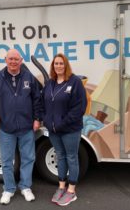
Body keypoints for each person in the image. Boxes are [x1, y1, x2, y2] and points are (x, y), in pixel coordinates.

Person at [0, 49, 42, 205]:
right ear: (5, 60)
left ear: (21, 60)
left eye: (16, 59)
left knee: (28, 159)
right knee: (6, 161)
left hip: (26, 128)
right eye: (10, 59)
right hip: (6, 129)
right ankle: (9, 189)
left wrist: (37, 119)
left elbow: (37, 100)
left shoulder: (28, 78)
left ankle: (25, 187)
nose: (13, 62)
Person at [42, 53, 87, 206]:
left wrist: (62, 123)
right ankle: (61, 187)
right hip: (53, 130)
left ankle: (71, 191)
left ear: (66, 65)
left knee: (71, 157)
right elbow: (43, 104)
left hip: (70, 129)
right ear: (53, 66)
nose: (59, 66)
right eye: (56, 64)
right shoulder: (49, 83)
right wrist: (47, 121)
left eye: (61, 63)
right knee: (60, 156)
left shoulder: (74, 82)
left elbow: (79, 108)